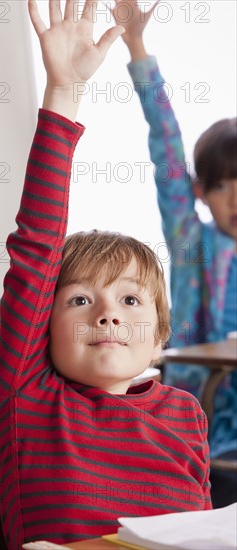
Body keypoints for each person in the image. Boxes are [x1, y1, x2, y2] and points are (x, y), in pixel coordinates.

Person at [0, 1, 211, 548]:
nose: (108, 311)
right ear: (42, 328)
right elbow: (35, 252)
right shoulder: (25, 395)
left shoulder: (184, 413)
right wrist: (64, 91)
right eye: (80, 300)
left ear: (158, 337)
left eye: (131, 301)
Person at [111, 0, 237, 508]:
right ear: (202, 192)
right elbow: (166, 145)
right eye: (224, 185)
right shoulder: (193, 242)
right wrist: (138, 48)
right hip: (206, 434)